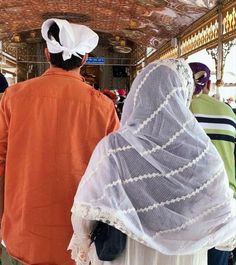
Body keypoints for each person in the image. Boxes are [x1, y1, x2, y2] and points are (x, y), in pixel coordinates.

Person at [69, 59, 236, 265]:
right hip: (182, 257)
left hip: (127, 255)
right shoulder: (203, 154)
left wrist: (84, 242)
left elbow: (85, 211)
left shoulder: (114, 147)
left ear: (138, 93)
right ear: (182, 95)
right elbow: (224, 222)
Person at [0, 18, 119, 265]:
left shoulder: (13, 97)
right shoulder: (103, 107)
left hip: (22, 233)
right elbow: (113, 171)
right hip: (78, 240)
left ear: (47, 53)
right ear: (85, 59)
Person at [189, 62, 236, 265]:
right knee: (218, 258)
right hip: (224, 196)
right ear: (208, 83)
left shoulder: (179, 108)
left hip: (189, 199)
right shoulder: (227, 112)